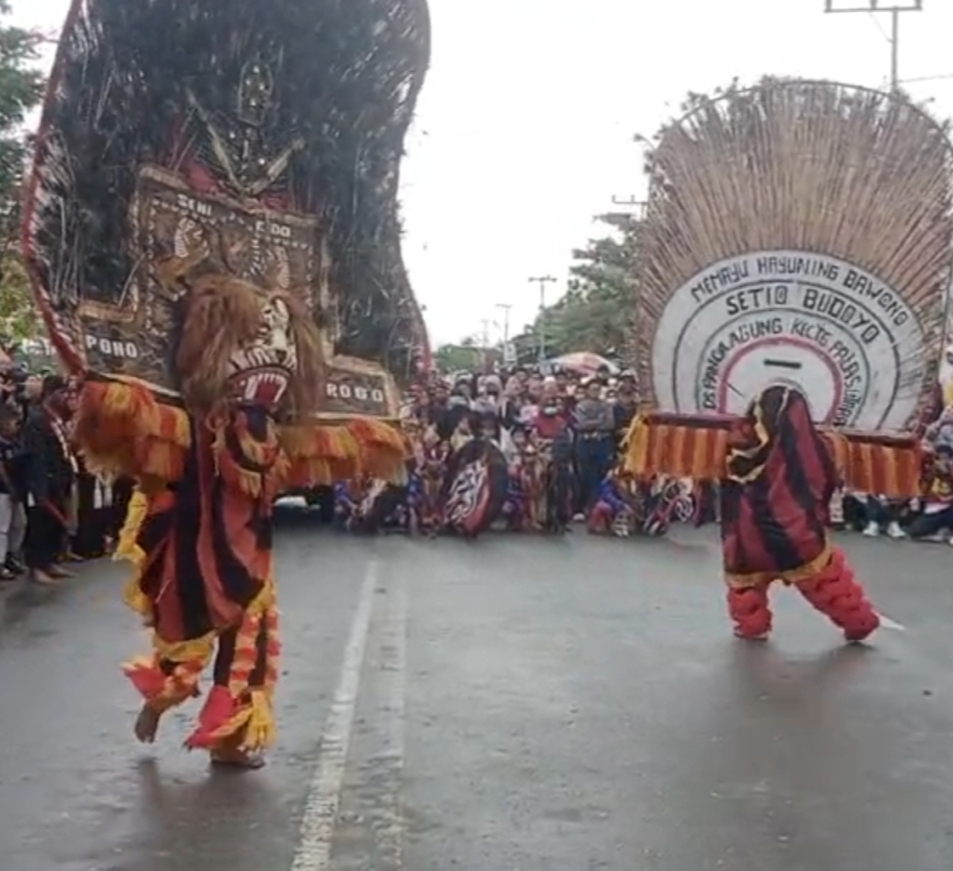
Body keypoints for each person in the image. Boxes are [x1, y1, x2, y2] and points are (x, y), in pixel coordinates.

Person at [722, 386, 880, 642]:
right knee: (829, 584)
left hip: (749, 536)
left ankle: (752, 625)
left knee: (746, 586)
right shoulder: (816, 446)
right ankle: (859, 622)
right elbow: (828, 478)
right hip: (796, 532)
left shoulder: (738, 444)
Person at [22, 375, 76, 586]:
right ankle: (36, 566)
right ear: (51, 394)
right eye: (62, 393)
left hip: (59, 479)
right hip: (42, 481)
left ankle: (51, 562)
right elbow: (36, 457)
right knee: (40, 524)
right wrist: (39, 488)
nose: (65, 397)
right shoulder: (36, 419)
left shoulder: (55, 418)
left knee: (55, 522)